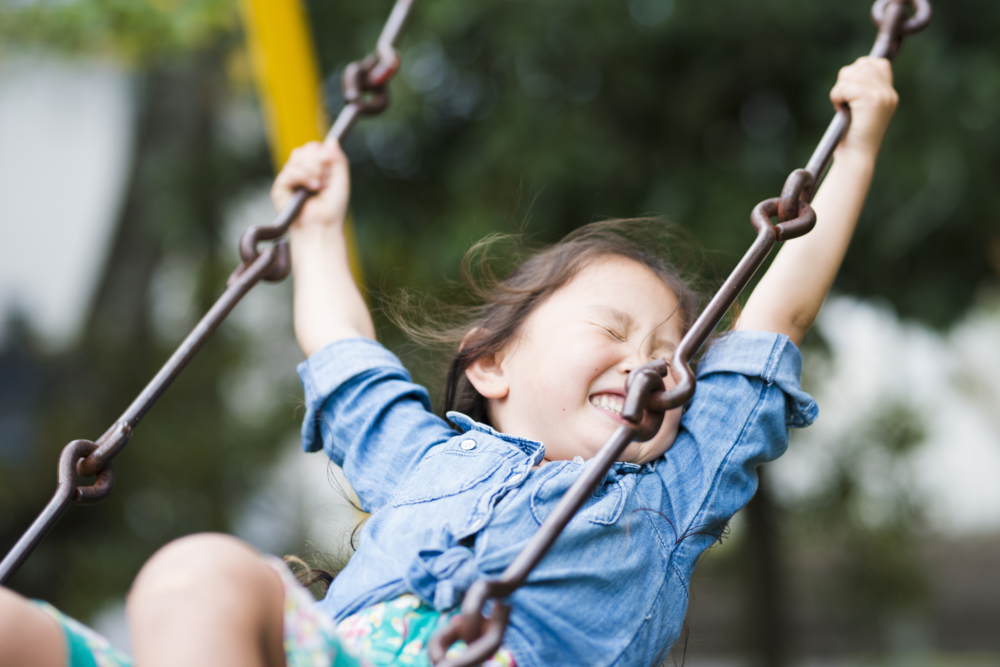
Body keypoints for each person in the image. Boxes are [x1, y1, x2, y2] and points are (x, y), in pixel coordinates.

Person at [0, 56, 899, 667]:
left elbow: (780, 308)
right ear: (494, 364)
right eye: (615, 330)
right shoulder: (424, 462)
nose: (653, 364)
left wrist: (856, 146)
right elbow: (344, 354)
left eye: (671, 350)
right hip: (335, 652)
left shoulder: (668, 494)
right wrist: (316, 234)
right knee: (190, 572)